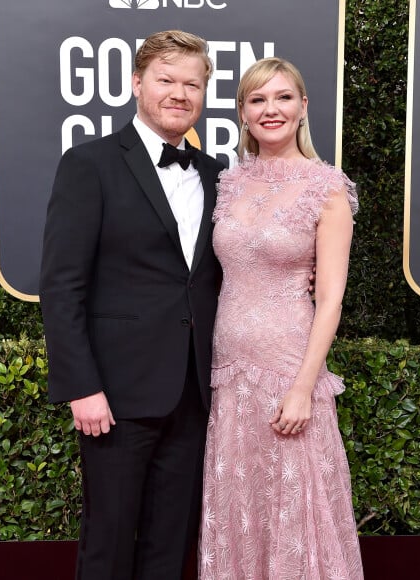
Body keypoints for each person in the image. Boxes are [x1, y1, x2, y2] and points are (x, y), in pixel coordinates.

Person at [39, 30, 225, 580]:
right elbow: (62, 285)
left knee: (170, 548)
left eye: (192, 83)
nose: (179, 93)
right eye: (166, 80)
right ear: (137, 83)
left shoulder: (217, 175)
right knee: (109, 542)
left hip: (193, 393)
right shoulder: (90, 164)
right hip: (115, 395)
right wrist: (81, 386)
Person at [199, 57, 364, 578]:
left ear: (303, 107)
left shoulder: (327, 188)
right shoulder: (226, 183)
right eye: (258, 99)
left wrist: (303, 386)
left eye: (283, 97)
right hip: (227, 374)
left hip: (289, 370)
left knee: (298, 505)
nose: (271, 109)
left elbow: (331, 299)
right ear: (243, 113)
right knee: (240, 507)